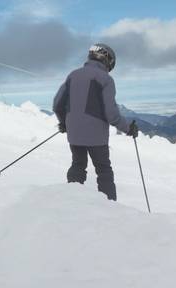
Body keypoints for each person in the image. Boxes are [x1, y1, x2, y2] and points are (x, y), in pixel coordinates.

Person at [52, 43, 138, 201]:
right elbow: (111, 114)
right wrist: (128, 128)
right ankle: (109, 207)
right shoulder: (106, 79)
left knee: (78, 165)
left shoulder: (73, 75)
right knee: (103, 170)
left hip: (75, 134)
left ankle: (71, 200)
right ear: (108, 60)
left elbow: (58, 104)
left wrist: (64, 123)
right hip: (96, 136)